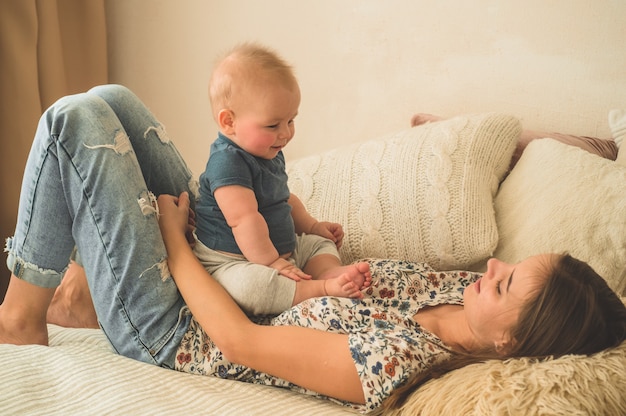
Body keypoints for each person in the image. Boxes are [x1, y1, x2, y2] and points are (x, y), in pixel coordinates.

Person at [1, 85, 624, 414]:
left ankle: (20, 319)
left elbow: (240, 343)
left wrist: (173, 242)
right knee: (113, 100)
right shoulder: (444, 292)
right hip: (223, 265)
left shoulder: (399, 364)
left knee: (73, 120)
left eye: (508, 284)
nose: (493, 267)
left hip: (179, 327)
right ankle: (75, 296)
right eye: (510, 266)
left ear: (513, 345)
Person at [194, 43, 371, 315]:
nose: (286, 133)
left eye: (291, 120)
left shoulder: (268, 151)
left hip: (282, 252)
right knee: (253, 288)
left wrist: (312, 226)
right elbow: (244, 220)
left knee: (317, 244)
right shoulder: (226, 163)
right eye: (273, 125)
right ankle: (319, 289)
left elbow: (284, 198)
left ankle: (329, 272)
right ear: (229, 122)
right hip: (235, 261)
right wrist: (272, 263)